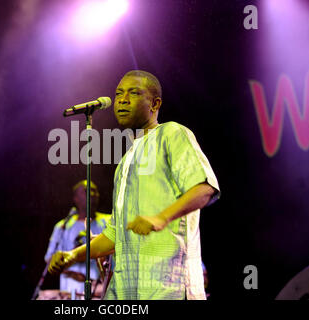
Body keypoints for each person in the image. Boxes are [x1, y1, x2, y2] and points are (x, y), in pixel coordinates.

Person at [49, 70, 220, 300]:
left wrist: (162, 217)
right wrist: (72, 255)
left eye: (134, 93)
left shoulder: (171, 133)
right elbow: (113, 235)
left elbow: (205, 188)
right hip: (127, 291)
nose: (122, 99)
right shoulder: (125, 162)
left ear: (155, 103)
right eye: (119, 93)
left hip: (169, 287)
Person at [44, 180, 110, 297]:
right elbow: (49, 260)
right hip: (69, 292)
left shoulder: (109, 221)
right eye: (86, 191)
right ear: (76, 198)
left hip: (100, 292)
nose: (92, 194)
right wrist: (69, 264)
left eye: (95, 191)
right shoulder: (62, 226)